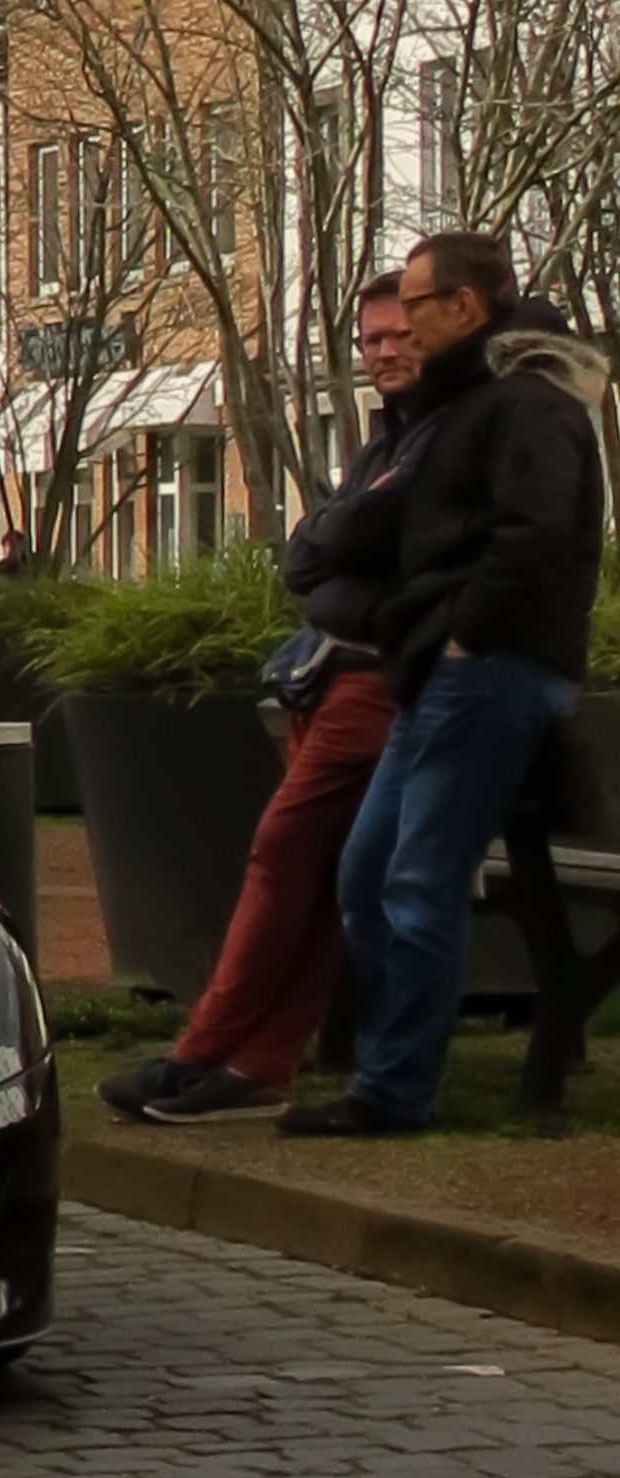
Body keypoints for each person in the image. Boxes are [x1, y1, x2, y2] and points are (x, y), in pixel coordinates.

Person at [280, 229, 607, 1140]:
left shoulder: (529, 400)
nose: (401, 326)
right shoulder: (468, 401)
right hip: (445, 671)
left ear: (463, 307)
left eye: (415, 306)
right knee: (370, 871)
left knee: (418, 878)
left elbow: (535, 533)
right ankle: (390, 1071)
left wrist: (468, 635)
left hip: (487, 671)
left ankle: (394, 1092)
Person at [102, 272, 423, 1123]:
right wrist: (343, 524)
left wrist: (342, 529)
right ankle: (260, 1063)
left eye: (401, 335)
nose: (385, 352)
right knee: (313, 878)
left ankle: (202, 1048)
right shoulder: (380, 448)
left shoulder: (441, 443)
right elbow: (307, 554)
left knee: (282, 856)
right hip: (327, 677)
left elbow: (350, 542)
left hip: (378, 686)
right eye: (371, 340)